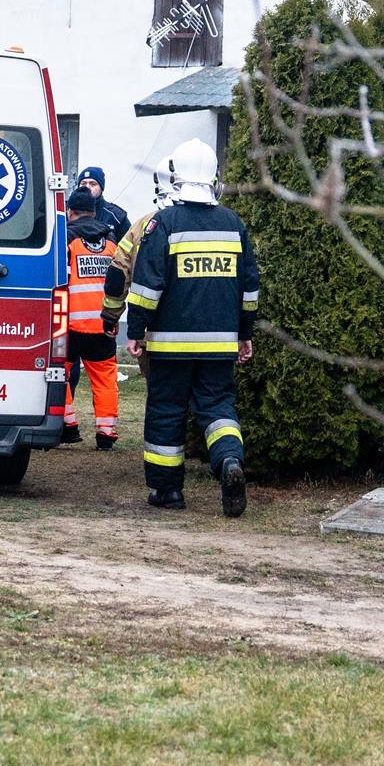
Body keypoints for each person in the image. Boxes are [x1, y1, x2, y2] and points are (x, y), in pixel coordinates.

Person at [124, 141, 259, 515]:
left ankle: (168, 492)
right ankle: (229, 461)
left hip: (170, 345)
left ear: (175, 177)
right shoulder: (234, 225)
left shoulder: (163, 224)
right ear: (213, 176)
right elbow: (249, 288)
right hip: (220, 345)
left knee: (167, 411)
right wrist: (244, 333)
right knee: (217, 408)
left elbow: (146, 286)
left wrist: (135, 330)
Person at [61, 188, 128, 449]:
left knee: (60, 375)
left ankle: (68, 426)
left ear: (71, 212)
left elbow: (61, 278)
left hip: (70, 323)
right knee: (105, 379)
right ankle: (105, 434)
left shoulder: (67, 238)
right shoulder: (111, 239)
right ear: (93, 210)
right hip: (103, 323)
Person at [74, 166, 132, 238]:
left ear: (101, 188)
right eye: (83, 183)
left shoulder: (116, 216)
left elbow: (130, 245)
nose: (87, 187)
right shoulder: (65, 211)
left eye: (93, 184)